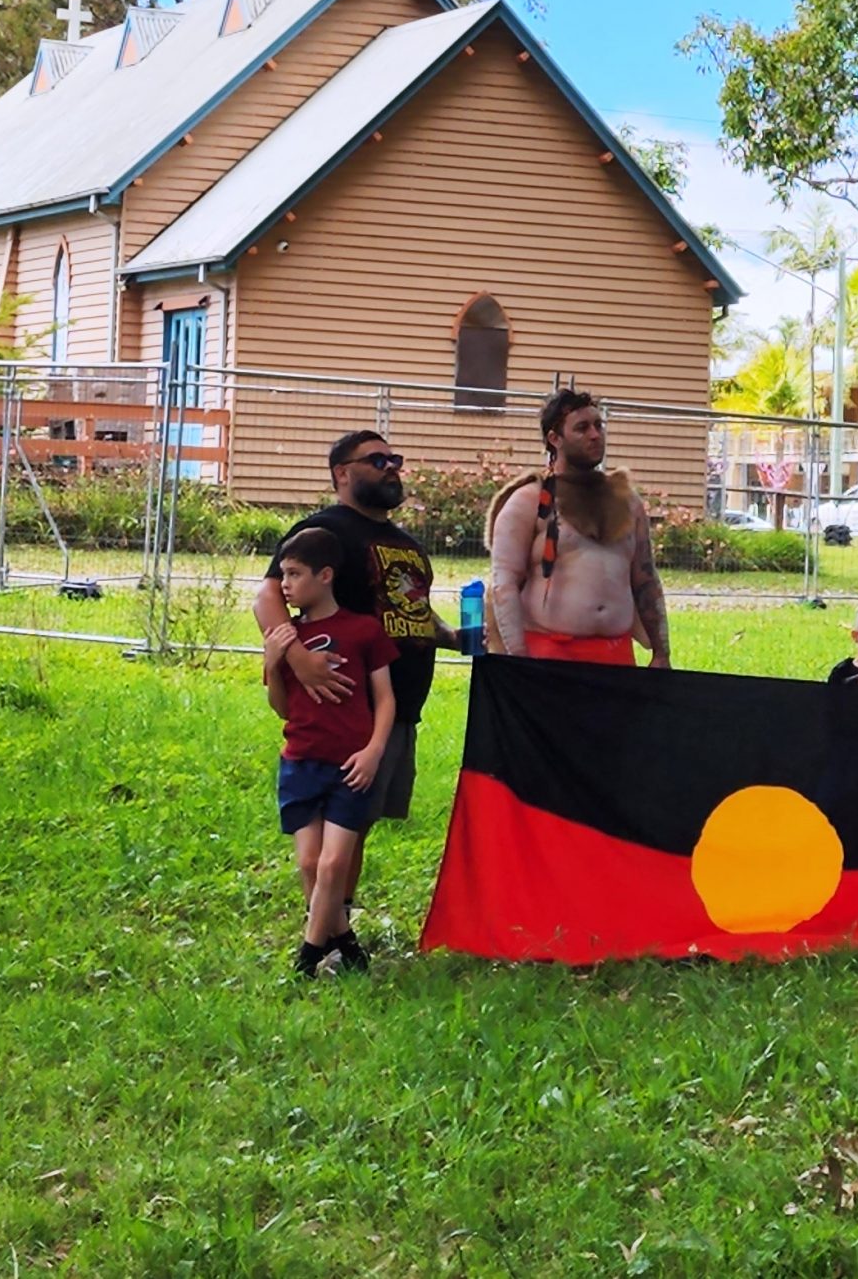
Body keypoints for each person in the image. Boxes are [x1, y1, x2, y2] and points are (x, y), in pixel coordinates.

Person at [249, 430, 443, 946]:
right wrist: (298, 658)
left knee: (361, 819)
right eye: (376, 460)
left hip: (399, 707)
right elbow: (267, 597)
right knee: (340, 824)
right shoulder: (323, 531)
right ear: (341, 473)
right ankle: (328, 936)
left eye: (394, 459)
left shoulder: (406, 543)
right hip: (346, 709)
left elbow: (409, 611)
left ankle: (336, 922)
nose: (390, 467)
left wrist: (451, 635)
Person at [261, 528, 398, 977]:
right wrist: (272, 661)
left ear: (325, 576)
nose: (284, 585)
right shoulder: (290, 637)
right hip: (300, 761)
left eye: (295, 574)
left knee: (334, 861)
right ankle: (346, 944)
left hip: (351, 764)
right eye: (282, 574)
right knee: (309, 862)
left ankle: (308, 955)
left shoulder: (363, 630)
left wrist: (375, 750)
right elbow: (282, 707)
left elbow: (386, 699)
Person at [486, 390, 671, 667]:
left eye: (599, 425)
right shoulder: (529, 500)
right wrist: (519, 660)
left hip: (616, 656)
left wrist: (661, 652)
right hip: (548, 657)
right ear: (554, 439)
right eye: (582, 428)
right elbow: (505, 584)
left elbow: (645, 580)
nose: (595, 435)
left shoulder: (627, 501)